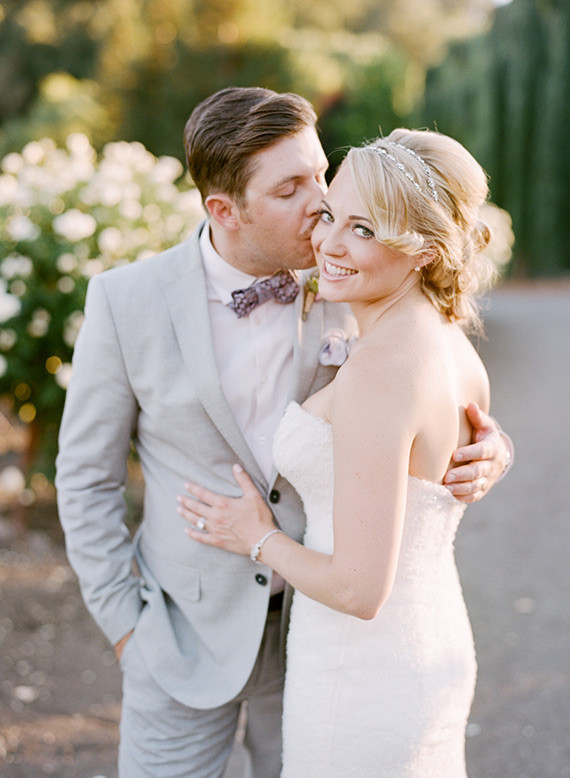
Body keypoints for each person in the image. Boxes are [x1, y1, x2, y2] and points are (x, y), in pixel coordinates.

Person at [56, 87, 511, 778]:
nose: (322, 205)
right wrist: (127, 629)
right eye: (291, 188)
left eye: (321, 174)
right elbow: (85, 479)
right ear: (224, 210)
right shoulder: (126, 303)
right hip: (179, 636)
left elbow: (430, 385)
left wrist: (488, 447)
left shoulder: (353, 278)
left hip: (318, 629)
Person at [177, 128, 506, 777]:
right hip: (426, 644)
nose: (328, 243)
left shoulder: (379, 370)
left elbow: (358, 588)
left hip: (360, 673)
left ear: (424, 251)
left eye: (364, 229)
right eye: (331, 215)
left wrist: (256, 536)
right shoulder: (451, 344)